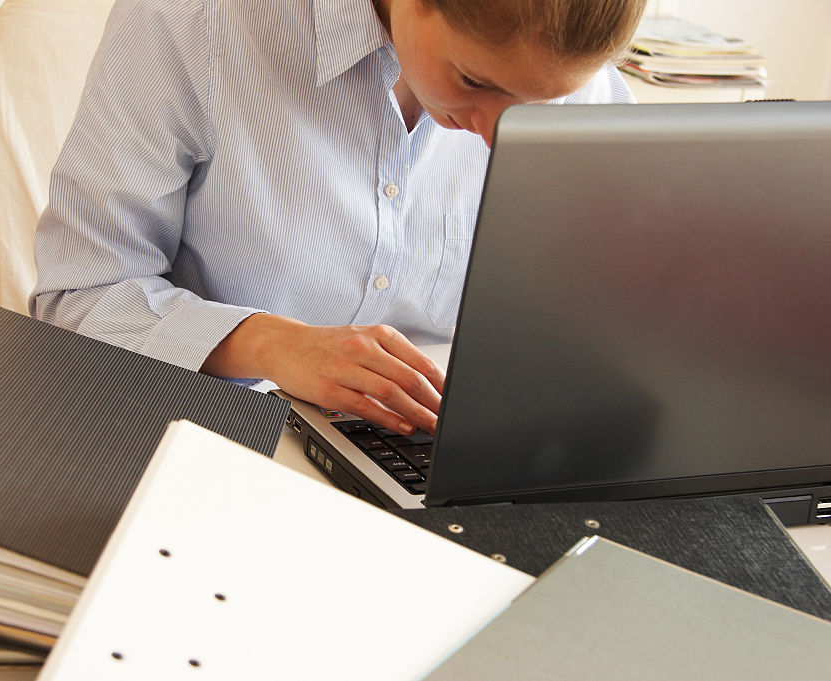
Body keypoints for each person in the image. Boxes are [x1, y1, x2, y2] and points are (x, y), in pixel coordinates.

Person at [32, 0, 647, 437]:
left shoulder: (574, 68)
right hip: (216, 440)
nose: (496, 136)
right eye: (474, 81)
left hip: (460, 450)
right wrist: (273, 345)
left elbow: (598, 305)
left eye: (540, 105)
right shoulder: (197, 22)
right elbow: (78, 295)